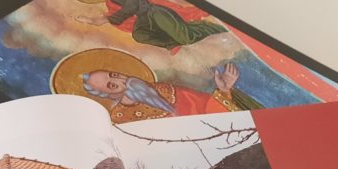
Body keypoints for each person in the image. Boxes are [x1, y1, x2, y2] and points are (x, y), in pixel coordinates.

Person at [81, 62, 261, 123]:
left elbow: (204, 106)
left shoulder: (162, 89)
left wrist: (224, 89)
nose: (121, 80)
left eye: (114, 75)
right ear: (108, 95)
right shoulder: (121, 118)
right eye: (112, 85)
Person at [74, 0, 226, 52]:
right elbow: (113, 17)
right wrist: (92, 20)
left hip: (154, 12)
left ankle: (205, 28)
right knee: (139, 35)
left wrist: (102, 20)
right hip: (144, 19)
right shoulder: (110, 3)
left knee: (186, 38)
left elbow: (131, 7)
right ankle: (172, 42)